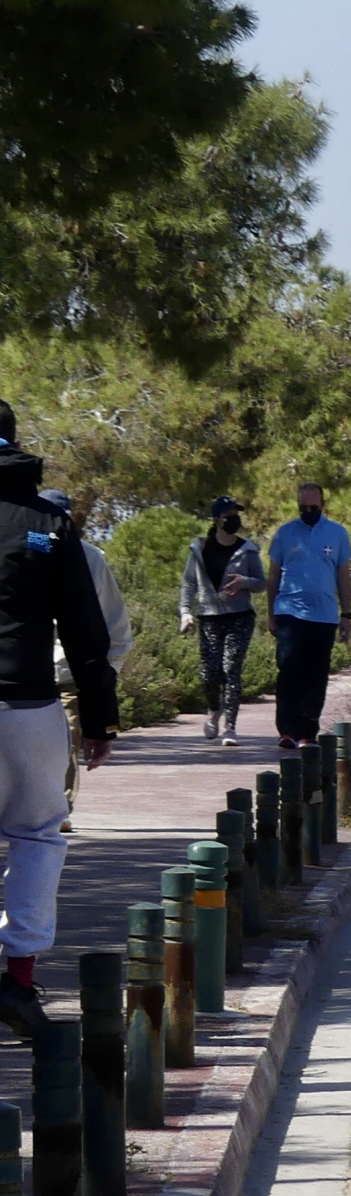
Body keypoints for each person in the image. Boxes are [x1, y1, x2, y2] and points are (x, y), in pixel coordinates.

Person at [0, 406, 118, 1036]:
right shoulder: (48, 524)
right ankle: (18, 982)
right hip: (28, 708)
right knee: (38, 835)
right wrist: (99, 718)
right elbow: (85, 631)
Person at [42, 492, 131, 825]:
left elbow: (115, 623)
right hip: (24, 674)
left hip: (68, 673)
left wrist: (104, 678)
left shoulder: (91, 559)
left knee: (65, 745)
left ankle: (58, 811)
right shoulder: (20, 551)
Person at [265, 482, 351, 753]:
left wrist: (346, 614)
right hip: (289, 611)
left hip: (324, 616)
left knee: (316, 675)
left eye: (314, 507)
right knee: (289, 670)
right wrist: (270, 613)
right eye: (303, 507)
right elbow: (273, 575)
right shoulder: (285, 533)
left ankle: (307, 732)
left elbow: (343, 576)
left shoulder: (337, 534)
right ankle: (288, 730)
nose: (308, 511)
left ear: (323, 505)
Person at [180, 495, 264, 747]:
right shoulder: (199, 548)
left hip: (240, 616)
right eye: (229, 514)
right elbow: (189, 582)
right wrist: (185, 611)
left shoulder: (247, 549)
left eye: (236, 514)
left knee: (231, 668)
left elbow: (262, 582)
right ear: (217, 519)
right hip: (209, 618)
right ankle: (213, 709)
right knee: (209, 673)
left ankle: (230, 728)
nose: (234, 519)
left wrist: (244, 582)